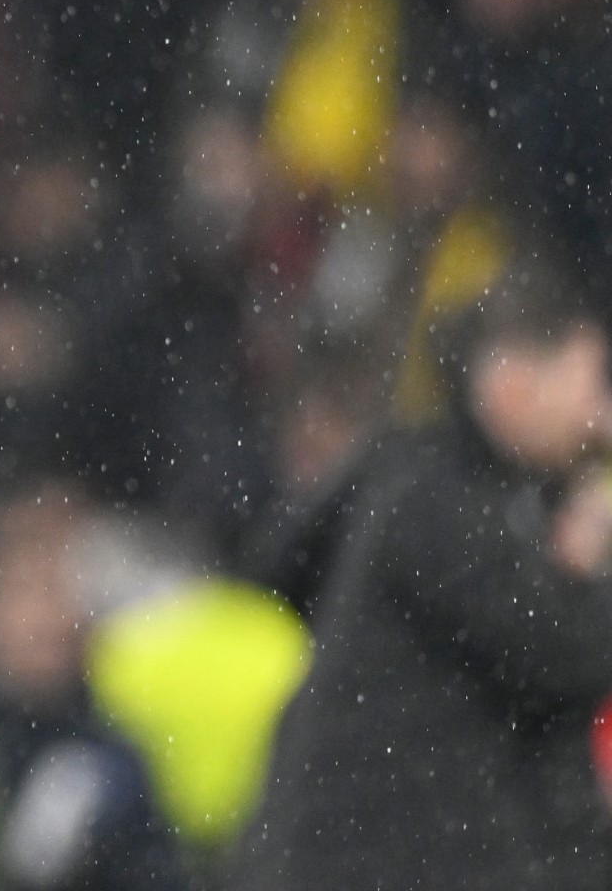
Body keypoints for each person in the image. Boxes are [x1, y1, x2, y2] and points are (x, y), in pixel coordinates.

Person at [233, 253, 612, 890]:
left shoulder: (424, 483)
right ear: (513, 384)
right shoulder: (438, 502)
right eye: (591, 383)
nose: (600, 418)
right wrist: (586, 563)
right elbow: (568, 653)